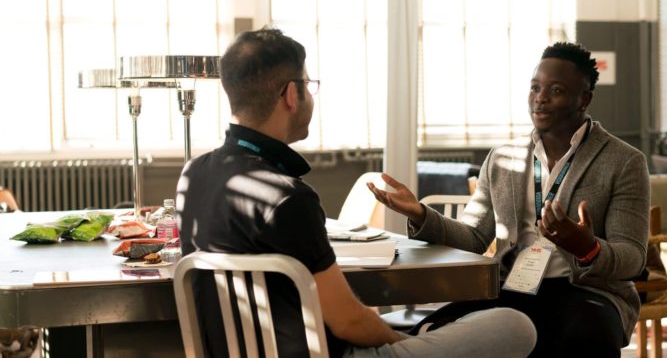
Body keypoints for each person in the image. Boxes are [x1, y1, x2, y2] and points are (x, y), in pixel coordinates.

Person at [176, 28, 536, 358]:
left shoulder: (194, 174)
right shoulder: (289, 198)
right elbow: (350, 323)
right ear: (290, 94)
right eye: (308, 84)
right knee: (514, 325)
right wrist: (410, 346)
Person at [368, 42, 650, 357]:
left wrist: (588, 249)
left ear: (584, 98)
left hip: (587, 292)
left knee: (579, 338)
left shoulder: (624, 161)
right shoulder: (504, 158)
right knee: (435, 331)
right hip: (514, 287)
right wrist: (422, 215)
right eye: (534, 88)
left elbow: (633, 257)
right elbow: (474, 237)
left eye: (555, 90)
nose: (540, 98)